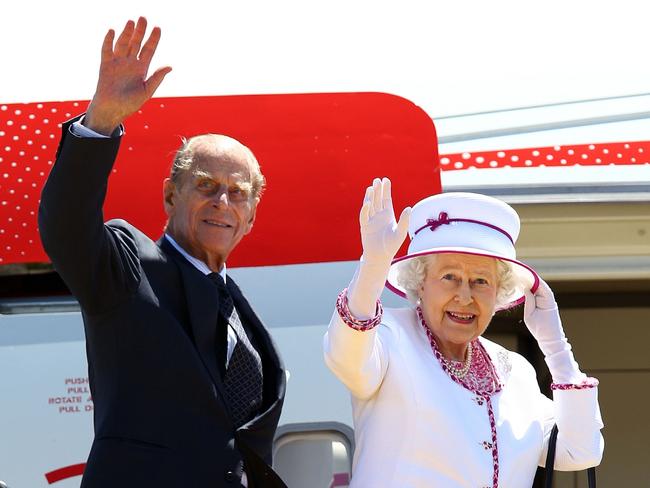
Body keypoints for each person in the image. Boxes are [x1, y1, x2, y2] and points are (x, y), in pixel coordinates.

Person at [38, 17, 286, 488]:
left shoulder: (241, 313)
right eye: (207, 186)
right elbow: (66, 227)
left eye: (238, 193)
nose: (222, 202)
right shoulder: (129, 270)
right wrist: (102, 120)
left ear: (251, 216)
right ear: (171, 196)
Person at [323, 178, 604, 487]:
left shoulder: (516, 373)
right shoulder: (390, 337)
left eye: (481, 281)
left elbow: (580, 451)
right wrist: (373, 268)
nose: (465, 296)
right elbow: (345, 358)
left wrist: (555, 346)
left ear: (499, 293)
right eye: (450, 277)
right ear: (420, 282)